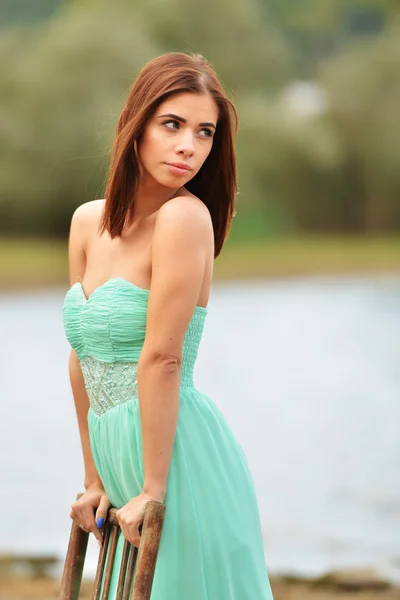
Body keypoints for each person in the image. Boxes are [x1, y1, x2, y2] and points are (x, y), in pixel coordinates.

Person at [63, 52, 273, 599]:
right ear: (136, 125)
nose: (189, 146)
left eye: (204, 133)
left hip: (178, 460)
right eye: (172, 125)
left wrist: (154, 487)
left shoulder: (184, 218)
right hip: (120, 456)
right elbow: (81, 356)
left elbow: (162, 358)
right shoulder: (88, 222)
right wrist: (94, 478)